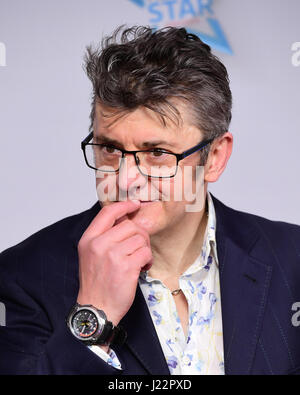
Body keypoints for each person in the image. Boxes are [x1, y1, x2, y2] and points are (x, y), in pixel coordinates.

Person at [0, 25, 300, 376]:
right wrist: (93, 315)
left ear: (216, 156)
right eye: (110, 148)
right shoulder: (19, 277)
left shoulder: (292, 259)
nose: (125, 180)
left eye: (157, 152)